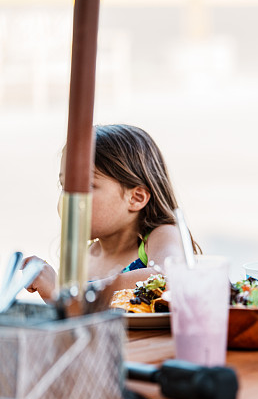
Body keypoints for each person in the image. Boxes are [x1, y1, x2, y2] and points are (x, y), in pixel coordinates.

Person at [24, 124, 200, 301]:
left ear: (136, 198)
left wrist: (70, 293)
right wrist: (56, 295)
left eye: (85, 187)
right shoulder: (83, 258)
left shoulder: (160, 236)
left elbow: (171, 275)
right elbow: (76, 317)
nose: (69, 199)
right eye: (65, 186)